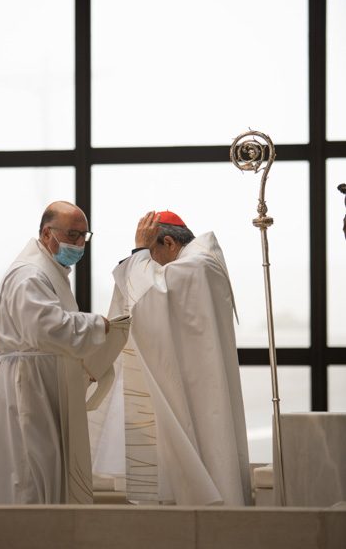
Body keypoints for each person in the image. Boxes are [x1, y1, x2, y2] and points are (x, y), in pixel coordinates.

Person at [0, 201, 125, 505]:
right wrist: (98, 325)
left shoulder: (49, 271)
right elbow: (45, 329)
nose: (79, 244)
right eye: (72, 235)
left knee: (45, 467)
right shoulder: (29, 275)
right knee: (28, 472)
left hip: (42, 380)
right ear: (46, 233)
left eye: (83, 236)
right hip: (29, 384)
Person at [106, 210, 252, 506]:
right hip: (195, 376)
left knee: (207, 451)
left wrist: (138, 253)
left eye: (152, 255)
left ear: (170, 243)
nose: (152, 266)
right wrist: (142, 254)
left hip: (199, 384)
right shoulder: (198, 262)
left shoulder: (197, 264)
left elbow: (146, 302)